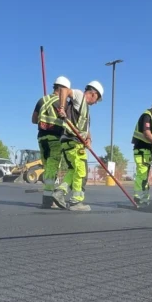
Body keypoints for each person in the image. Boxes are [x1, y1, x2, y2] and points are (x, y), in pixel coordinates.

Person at [54, 80, 104, 211]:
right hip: (73, 142)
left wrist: (89, 139)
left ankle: (59, 192)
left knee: (73, 170)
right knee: (81, 172)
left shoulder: (85, 110)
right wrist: (62, 108)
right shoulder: (79, 96)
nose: (95, 103)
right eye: (97, 99)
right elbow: (64, 90)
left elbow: (85, 129)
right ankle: (76, 201)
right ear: (93, 94)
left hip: (70, 142)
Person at [32, 75, 71, 208]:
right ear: (63, 89)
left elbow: (33, 119)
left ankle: (48, 197)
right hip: (55, 139)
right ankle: (48, 199)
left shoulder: (42, 100)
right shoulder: (63, 103)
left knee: (47, 166)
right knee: (52, 167)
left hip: (41, 138)